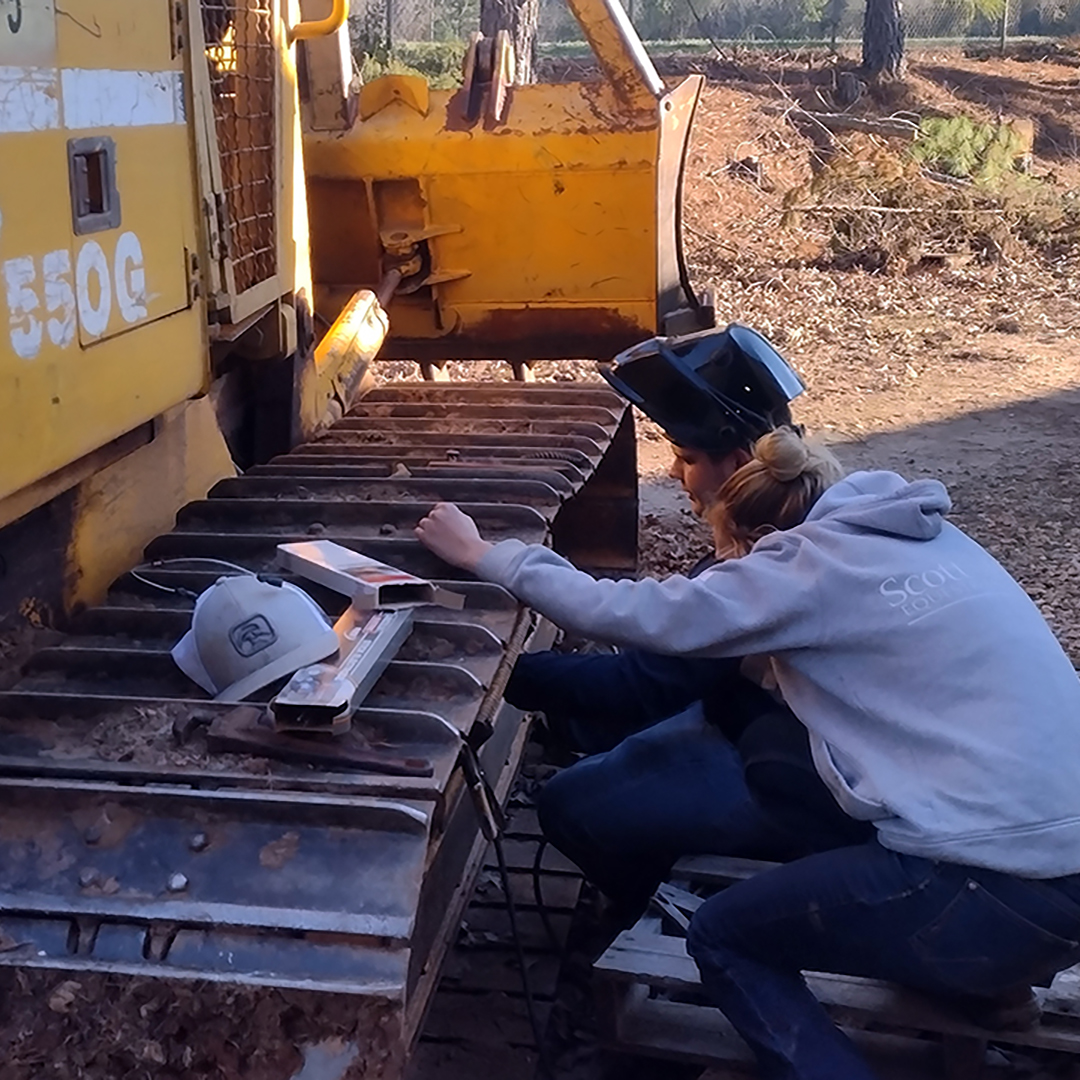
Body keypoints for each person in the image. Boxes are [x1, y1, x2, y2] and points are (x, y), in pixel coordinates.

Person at [416, 444, 1080, 1080]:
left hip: (993, 888)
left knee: (725, 936)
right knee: (784, 757)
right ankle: (994, 988)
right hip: (1056, 858)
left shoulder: (804, 569)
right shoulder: (926, 539)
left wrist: (483, 554)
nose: (727, 568)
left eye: (730, 555)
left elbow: (628, 614)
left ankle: (950, 984)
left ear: (763, 536)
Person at [505, 324, 803, 757]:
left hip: (830, 778)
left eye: (687, 458)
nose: (672, 472)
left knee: (569, 806)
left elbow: (644, 684)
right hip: (812, 733)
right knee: (594, 734)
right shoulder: (799, 518)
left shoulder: (764, 570)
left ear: (739, 464)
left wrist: (502, 671)